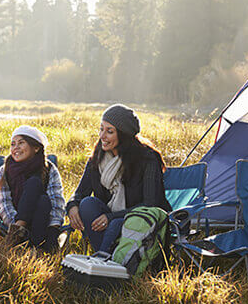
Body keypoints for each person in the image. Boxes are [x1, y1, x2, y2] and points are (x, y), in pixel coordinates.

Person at [66, 104, 171, 253]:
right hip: (109, 219)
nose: (102, 136)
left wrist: (112, 217)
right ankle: (109, 258)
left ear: (123, 135)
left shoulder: (147, 159)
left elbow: (151, 203)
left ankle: (103, 260)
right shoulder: (98, 157)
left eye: (109, 131)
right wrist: (72, 206)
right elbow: (80, 193)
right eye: (101, 129)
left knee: (116, 224)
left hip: (139, 221)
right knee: (87, 203)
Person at [0, 126, 65, 253]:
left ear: (36, 148)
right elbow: (3, 203)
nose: (15, 147)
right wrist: (14, 224)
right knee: (35, 184)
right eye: (12, 144)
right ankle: (23, 236)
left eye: (21, 143)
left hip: (42, 221)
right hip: (15, 220)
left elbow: (56, 201)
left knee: (42, 198)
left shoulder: (49, 169)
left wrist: (53, 228)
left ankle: (33, 247)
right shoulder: (5, 170)